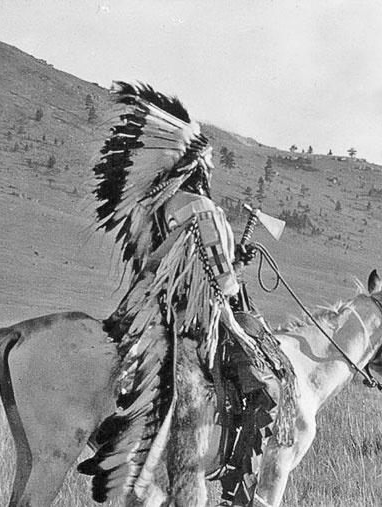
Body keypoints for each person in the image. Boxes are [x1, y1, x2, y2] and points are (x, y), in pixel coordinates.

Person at [77, 82, 295, 505]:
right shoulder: (203, 211)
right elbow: (221, 284)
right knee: (263, 383)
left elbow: (164, 264)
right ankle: (237, 485)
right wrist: (239, 266)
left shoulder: (153, 209)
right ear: (196, 165)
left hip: (140, 318)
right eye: (207, 164)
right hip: (188, 329)